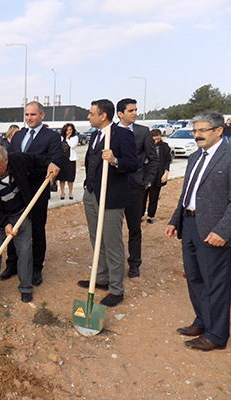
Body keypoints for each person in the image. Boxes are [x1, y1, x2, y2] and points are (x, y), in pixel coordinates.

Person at [165, 111, 231, 352]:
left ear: (219, 130)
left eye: (202, 130)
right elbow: (187, 194)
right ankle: (203, 321)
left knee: (215, 283)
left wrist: (223, 230)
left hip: (214, 231)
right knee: (195, 278)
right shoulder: (195, 157)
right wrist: (175, 220)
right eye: (195, 131)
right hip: (190, 225)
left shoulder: (228, 156)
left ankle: (217, 335)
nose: (197, 135)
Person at [0, 145, 59, 308]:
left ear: (6, 160)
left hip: (21, 214)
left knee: (26, 251)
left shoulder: (18, 160)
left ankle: (26, 288)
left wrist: (50, 163)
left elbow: (37, 160)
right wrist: (5, 224)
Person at [77, 99, 138, 308]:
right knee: (97, 239)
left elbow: (132, 165)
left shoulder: (122, 135)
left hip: (111, 198)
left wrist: (115, 160)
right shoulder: (95, 135)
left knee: (112, 243)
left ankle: (116, 289)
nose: (88, 116)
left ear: (103, 116)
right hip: (92, 194)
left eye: (91, 113)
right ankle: (100, 278)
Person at [5, 101, 62, 285]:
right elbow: (11, 158)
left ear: (42, 115)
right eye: (27, 115)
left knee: (37, 230)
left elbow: (53, 162)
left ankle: (36, 268)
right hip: (16, 192)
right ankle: (12, 264)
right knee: (14, 228)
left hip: (37, 191)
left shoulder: (52, 137)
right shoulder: (19, 135)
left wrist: (28, 171)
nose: (29, 118)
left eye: (33, 115)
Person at [116, 98, 158, 278]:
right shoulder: (111, 132)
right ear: (120, 114)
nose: (135, 113)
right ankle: (113, 264)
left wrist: (147, 181)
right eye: (131, 110)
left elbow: (153, 159)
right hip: (115, 187)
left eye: (135, 110)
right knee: (113, 229)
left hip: (136, 188)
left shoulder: (143, 132)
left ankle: (134, 264)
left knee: (134, 228)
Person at [142, 129, 172, 224]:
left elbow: (167, 160)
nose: (156, 141)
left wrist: (166, 173)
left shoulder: (165, 147)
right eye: (154, 139)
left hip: (157, 175)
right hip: (145, 174)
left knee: (153, 197)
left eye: (158, 139)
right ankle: (140, 215)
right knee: (142, 196)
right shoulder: (144, 146)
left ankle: (150, 216)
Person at [57, 123, 79, 200]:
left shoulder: (74, 137)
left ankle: (70, 192)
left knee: (70, 178)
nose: (69, 131)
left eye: (70, 130)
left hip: (70, 160)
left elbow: (73, 145)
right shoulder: (60, 138)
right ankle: (62, 192)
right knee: (62, 177)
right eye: (67, 130)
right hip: (62, 159)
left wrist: (68, 138)